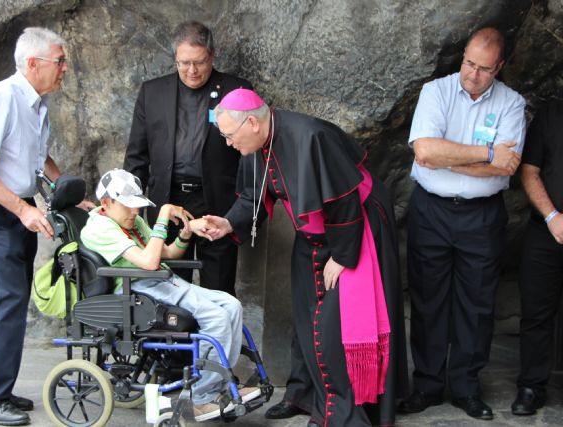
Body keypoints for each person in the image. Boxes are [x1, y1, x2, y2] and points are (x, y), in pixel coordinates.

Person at [194, 88, 408, 427]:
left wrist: (342, 255)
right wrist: (227, 222)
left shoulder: (310, 136)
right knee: (307, 314)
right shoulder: (255, 142)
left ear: (251, 122)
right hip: (314, 233)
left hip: (353, 230)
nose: (227, 142)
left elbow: (344, 200)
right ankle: (309, 396)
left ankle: (343, 414)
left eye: (229, 135)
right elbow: (254, 195)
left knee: (335, 324)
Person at [0, 27, 95, 426]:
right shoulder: (3, 98)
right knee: (5, 300)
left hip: (15, 204)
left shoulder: (36, 104)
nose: (65, 69)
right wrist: (23, 210)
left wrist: (67, 194)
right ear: (33, 63)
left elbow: (40, 160)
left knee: (5, 301)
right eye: (59, 61)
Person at [399, 27, 526, 421]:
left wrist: (447, 155)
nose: (472, 74)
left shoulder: (512, 104)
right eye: (469, 63)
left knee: (477, 305)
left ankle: (467, 389)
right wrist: (486, 153)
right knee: (427, 299)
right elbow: (425, 151)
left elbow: (507, 166)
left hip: (481, 216)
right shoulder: (435, 92)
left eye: (484, 69)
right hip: (431, 210)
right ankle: (428, 384)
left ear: (499, 68)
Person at [79, 168, 261, 422]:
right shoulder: (98, 228)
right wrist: (163, 215)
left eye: (137, 206)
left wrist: (186, 232)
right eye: (129, 206)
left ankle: (219, 385)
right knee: (216, 317)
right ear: (106, 203)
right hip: (138, 289)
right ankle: (203, 397)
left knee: (231, 305)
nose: (135, 212)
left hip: (162, 281)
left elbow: (168, 254)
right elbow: (150, 261)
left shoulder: (131, 221)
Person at [123, 21, 253, 296]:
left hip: (217, 202)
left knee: (219, 287)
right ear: (175, 58)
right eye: (184, 63)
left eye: (199, 62)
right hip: (167, 202)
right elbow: (137, 155)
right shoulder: (152, 92)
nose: (191, 70)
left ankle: (214, 340)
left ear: (212, 56)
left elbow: (251, 155)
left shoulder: (237, 90)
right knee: (167, 287)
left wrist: (241, 208)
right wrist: (128, 207)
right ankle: (172, 340)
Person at [511, 102, 563, 416]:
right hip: (545, 229)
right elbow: (529, 171)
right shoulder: (550, 114)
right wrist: (553, 216)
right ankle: (531, 387)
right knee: (536, 312)